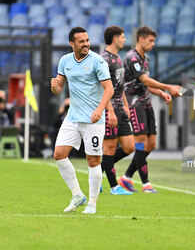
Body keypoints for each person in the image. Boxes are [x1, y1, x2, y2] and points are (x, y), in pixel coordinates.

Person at [51, 27, 113, 214]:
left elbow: (109, 89)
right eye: (81, 41)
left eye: (87, 40)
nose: (86, 44)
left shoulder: (97, 61)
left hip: (93, 120)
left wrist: (100, 109)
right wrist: (54, 87)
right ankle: (78, 195)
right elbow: (59, 89)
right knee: (59, 154)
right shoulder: (65, 61)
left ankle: (92, 204)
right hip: (73, 118)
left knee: (93, 160)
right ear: (72, 43)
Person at [118, 26, 182, 193]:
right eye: (151, 40)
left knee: (151, 144)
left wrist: (161, 92)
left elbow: (145, 84)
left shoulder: (145, 58)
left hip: (146, 103)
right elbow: (145, 80)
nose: (153, 44)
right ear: (141, 39)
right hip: (134, 104)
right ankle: (146, 184)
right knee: (140, 143)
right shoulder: (132, 57)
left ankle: (125, 177)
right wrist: (168, 87)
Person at [99, 26, 134, 195]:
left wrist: (126, 105)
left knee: (129, 147)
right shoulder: (103, 59)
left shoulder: (118, 59)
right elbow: (102, 88)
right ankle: (114, 187)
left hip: (121, 109)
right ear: (114, 38)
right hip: (109, 110)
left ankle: (97, 172)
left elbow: (120, 86)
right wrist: (110, 110)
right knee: (109, 149)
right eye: (122, 36)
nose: (124, 39)